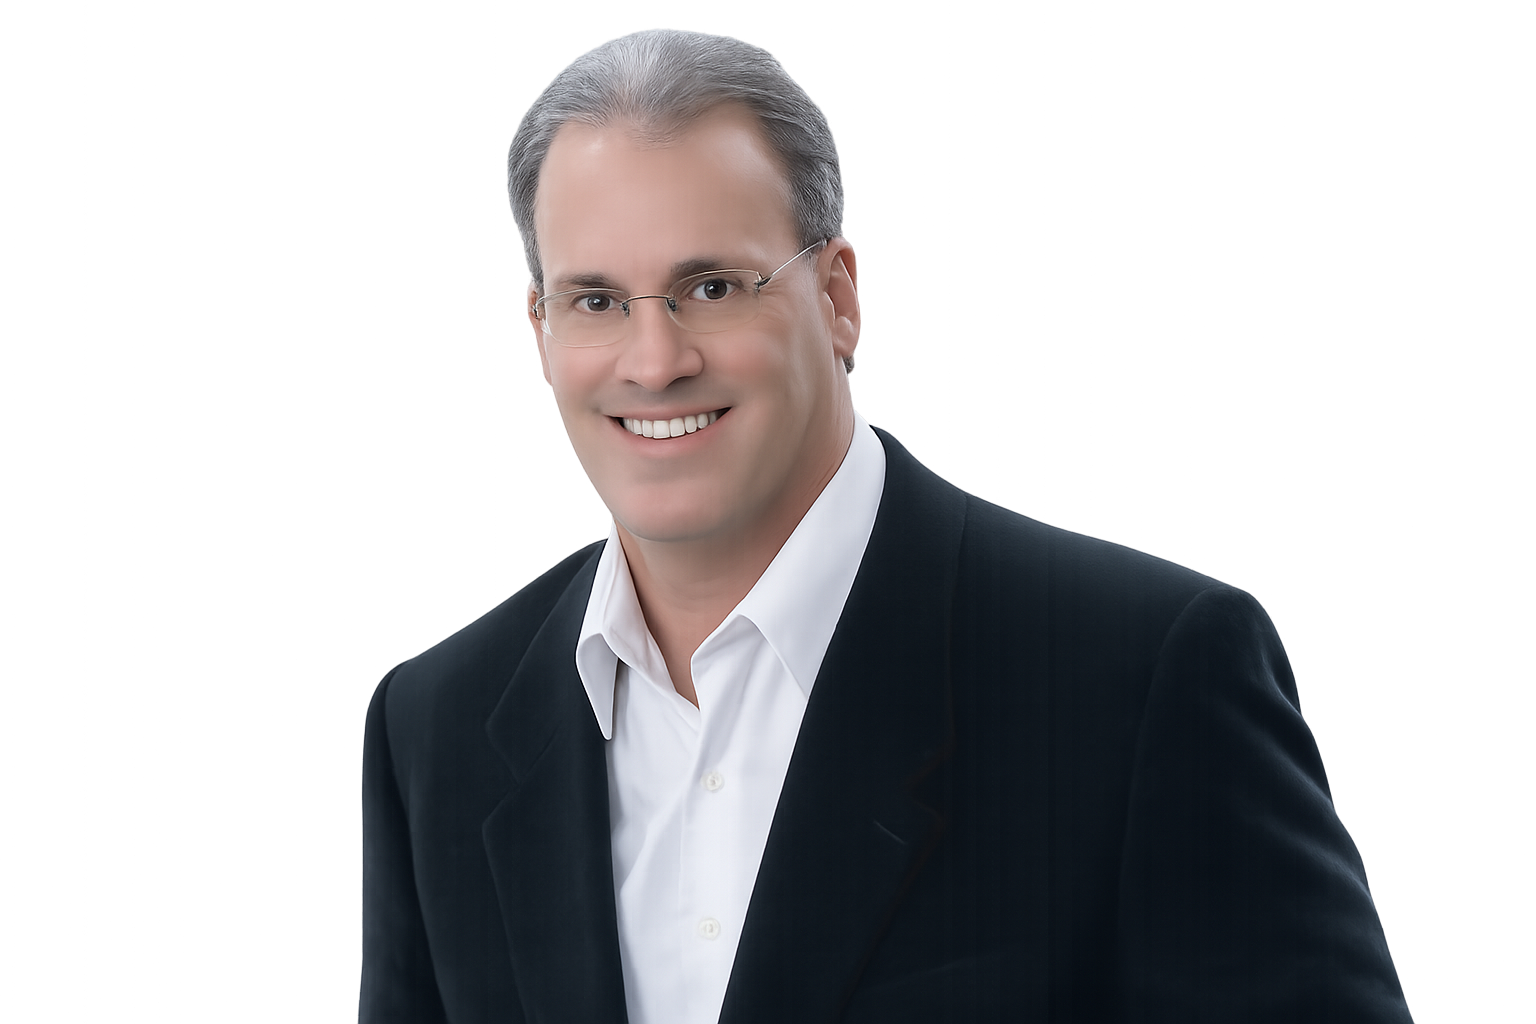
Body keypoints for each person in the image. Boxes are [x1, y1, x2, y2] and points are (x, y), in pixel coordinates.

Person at [361, 26, 1414, 1024]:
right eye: (596, 301)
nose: (654, 360)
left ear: (838, 296)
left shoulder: (1141, 678)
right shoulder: (437, 729)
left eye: (711, 286)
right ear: (540, 326)